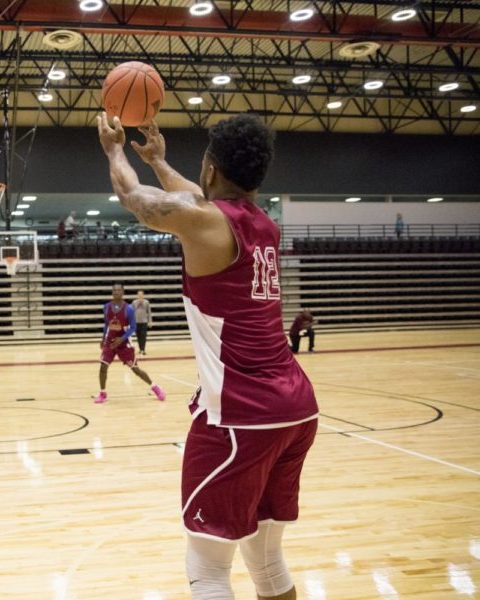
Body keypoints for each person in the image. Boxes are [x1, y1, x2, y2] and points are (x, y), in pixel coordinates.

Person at [99, 112, 318, 600]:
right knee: (267, 562)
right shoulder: (265, 226)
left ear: (211, 169)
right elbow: (200, 199)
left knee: (208, 570)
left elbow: (136, 201)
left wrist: (114, 151)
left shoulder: (205, 223)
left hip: (240, 415)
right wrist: (158, 161)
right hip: (297, 408)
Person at [95, 283, 165, 404]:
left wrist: (121, 339)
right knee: (103, 367)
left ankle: (155, 387)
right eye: (114, 290)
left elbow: (133, 327)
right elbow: (107, 324)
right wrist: (103, 338)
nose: (116, 292)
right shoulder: (106, 307)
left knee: (135, 369)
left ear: (123, 292)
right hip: (110, 342)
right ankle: (103, 392)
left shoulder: (129, 309)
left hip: (123, 343)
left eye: (118, 290)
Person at [132, 290, 152, 355]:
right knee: (138, 336)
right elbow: (132, 312)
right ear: (137, 295)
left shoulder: (146, 302)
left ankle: (143, 350)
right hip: (136, 322)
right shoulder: (134, 302)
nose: (140, 296)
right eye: (139, 294)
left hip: (144, 321)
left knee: (143, 336)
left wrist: (150, 321)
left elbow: (149, 312)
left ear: (143, 295)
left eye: (141, 294)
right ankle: (141, 349)